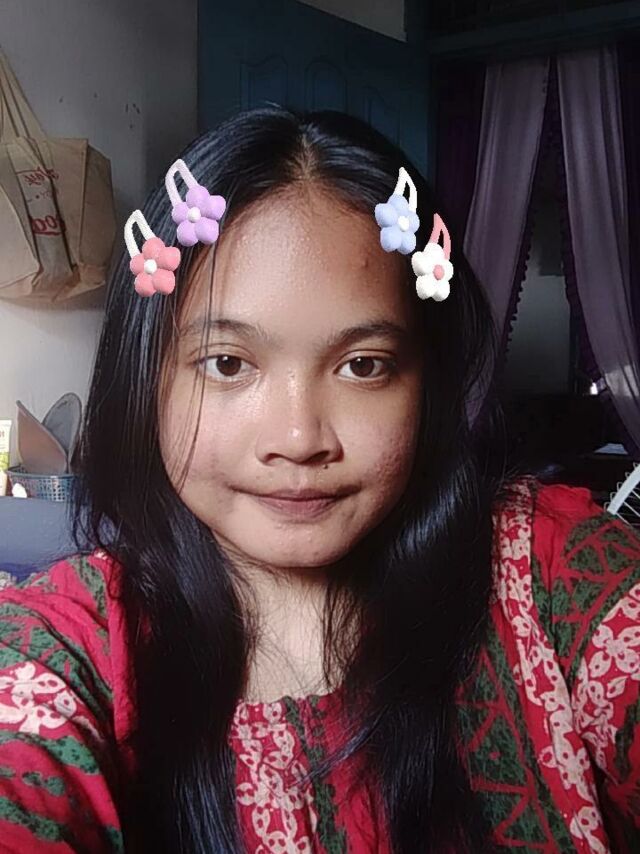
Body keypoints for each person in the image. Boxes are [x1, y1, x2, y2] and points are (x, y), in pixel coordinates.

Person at [0, 104, 638, 854]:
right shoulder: (68, 650)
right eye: (228, 364)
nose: (299, 440)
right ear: (148, 377)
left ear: (426, 384)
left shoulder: (549, 570)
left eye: (363, 365)